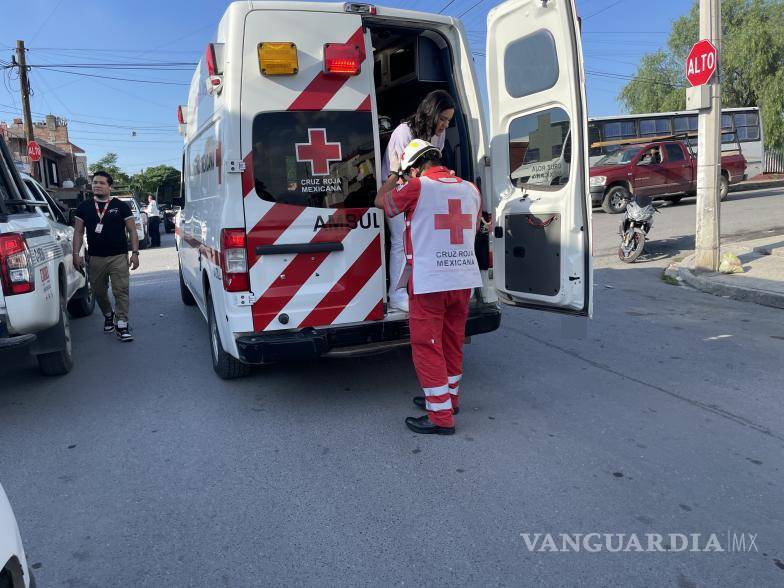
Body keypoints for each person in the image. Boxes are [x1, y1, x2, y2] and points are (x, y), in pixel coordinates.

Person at [374, 139, 482, 435]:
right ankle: (449, 400)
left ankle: (441, 417)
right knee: (451, 342)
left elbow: (381, 202)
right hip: (463, 282)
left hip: (430, 282)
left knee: (427, 347)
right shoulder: (471, 189)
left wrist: (396, 174)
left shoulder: (417, 187)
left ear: (416, 167)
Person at [380, 90, 455, 313]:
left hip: (420, 189)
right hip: (397, 187)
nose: (444, 125)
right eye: (442, 119)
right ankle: (396, 294)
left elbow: (432, 164)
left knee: (420, 241)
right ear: (431, 112)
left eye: (448, 121)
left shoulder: (438, 135)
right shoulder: (404, 132)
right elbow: (403, 172)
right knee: (401, 240)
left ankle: (417, 287)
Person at [72, 171, 140, 342]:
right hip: (95, 258)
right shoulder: (84, 207)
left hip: (118, 256)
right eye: (95, 182)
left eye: (102, 183)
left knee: (121, 290)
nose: (97, 185)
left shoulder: (121, 206)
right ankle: (109, 315)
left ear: (110, 187)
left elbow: (132, 230)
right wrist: (76, 254)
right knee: (99, 292)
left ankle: (122, 324)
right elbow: (78, 232)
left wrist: (135, 253)